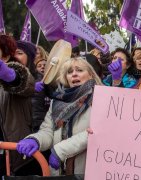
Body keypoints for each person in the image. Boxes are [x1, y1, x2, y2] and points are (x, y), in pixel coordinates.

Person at [16, 57, 102, 175]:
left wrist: (60, 151)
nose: (74, 74)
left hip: (86, 171)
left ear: (91, 75)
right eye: (70, 72)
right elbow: (48, 131)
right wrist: (35, 140)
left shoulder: (100, 99)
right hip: (58, 172)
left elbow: (96, 132)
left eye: (79, 70)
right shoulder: (56, 101)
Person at [0, 35, 35, 176]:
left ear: (6, 57)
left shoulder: (19, 72)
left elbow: (24, 83)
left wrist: (10, 76)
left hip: (19, 156)